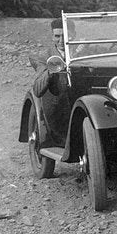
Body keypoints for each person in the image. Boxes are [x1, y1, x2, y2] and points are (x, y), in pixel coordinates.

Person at [30, 18, 70, 147]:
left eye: (65, 35)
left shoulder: (82, 51)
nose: (61, 40)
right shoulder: (44, 56)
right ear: (52, 37)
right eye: (57, 36)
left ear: (73, 35)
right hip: (58, 107)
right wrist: (51, 70)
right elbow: (37, 89)